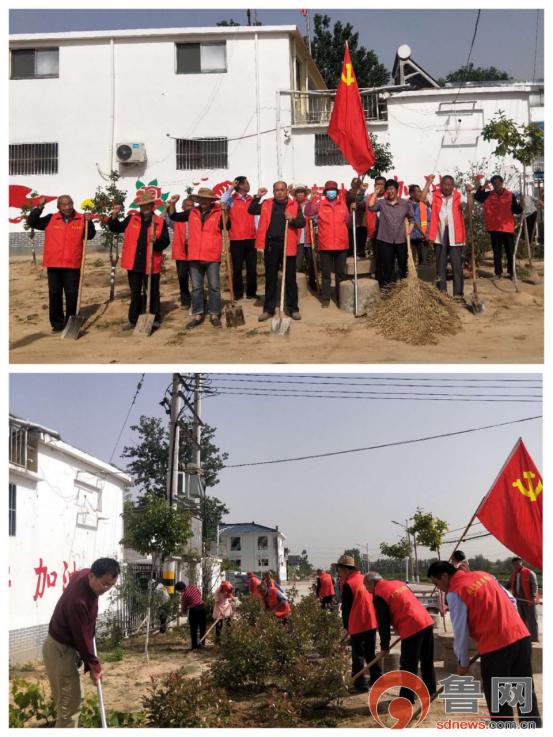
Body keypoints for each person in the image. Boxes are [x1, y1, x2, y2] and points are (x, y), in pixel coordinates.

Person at [428, 561, 541, 728]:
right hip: (521, 636)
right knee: (523, 692)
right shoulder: (484, 575)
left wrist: (462, 662)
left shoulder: (455, 592)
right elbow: (512, 600)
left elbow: (460, 631)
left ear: (444, 576)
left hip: (496, 647)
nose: (439, 588)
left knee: (499, 700)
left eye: (437, 583)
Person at [42, 558, 120, 727]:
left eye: (111, 585)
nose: (106, 589)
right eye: (105, 584)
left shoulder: (83, 574)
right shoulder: (79, 602)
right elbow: (83, 639)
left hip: (62, 647)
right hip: (61, 651)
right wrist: (94, 667)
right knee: (69, 708)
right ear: (92, 576)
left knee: (71, 701)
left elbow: (74, 575)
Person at [27, 195, 96, 332]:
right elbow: (32, 222)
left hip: (72, 263)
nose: (68, 207)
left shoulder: (82, 219)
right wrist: (39, 207)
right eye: (64, 205)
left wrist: (90, 222)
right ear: (59, 207)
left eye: (70, 203)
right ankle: (57, 323)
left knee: (72, 294)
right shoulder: (51, 218)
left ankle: (70, 322)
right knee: (55, 293)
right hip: (54, 263)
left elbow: (90, 235)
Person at [364, 571, 436, 702]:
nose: (367, 590)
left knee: (408, 665)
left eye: (366, 586)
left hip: (412, 626)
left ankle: (407, 697)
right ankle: (431, 691)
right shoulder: (398, 583)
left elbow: (383, 623)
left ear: (371, 582)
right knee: (426, 661)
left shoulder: (379, 595)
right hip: (426, 621)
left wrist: (384, 646)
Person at [168, 188, 229, 329]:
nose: (203, 201)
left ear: (210, 200)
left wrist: (225, 212)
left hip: (212, 255)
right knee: (196, 288)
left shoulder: (218, 212)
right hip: (194, 255)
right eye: (201, 199)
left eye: (206, 199)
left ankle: (214, 314)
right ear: (198, 200)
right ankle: (198, 314)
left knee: (214, 287)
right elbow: (174, 217)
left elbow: (226, 226)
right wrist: (172, 204)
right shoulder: (191, 212)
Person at [107, 191, 170, 329]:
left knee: (152, 292)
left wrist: (157, 241)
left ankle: (155, 317)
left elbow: (166, 241)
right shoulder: (132, 219)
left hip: (151, 263)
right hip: (134, 262)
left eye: (148, 205)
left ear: (153, 206)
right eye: (143, 205)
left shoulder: (159, 222)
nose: (145, 207)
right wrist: (115, 215)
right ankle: (133, 319)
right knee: (135, 293)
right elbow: (116, 228)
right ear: (140, 207)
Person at [249, 181, 305, 321]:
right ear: (273, 192)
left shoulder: (294, 204)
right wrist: (258, 196)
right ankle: (269, 309)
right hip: (271, 245)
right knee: (271, 278)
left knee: (290, 279)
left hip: (288, 245)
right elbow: (251, 210)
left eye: (282, 189)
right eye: (276, 190)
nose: (279, 192)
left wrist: (292, 220)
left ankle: (293, 309)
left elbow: (301, 223)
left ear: (287, 191)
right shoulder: (267, 204)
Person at [336, 554, 380, 693]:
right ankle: (377, 678)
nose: (338, 573)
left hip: (358, 623)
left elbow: (346, 609)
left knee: (358, 655)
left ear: (347, 570)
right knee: (370, 653)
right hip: (371, 622)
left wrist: (346, 627)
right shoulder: (364, 579)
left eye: (340, 570)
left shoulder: (349, 584)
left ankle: (360, 684)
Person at [304, 181, 351, 307]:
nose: (331, 192)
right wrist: (311, 200)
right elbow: (307, 213)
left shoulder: (343, 205)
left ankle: (340, 298)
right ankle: (325, 299)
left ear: (337, 192)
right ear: (325, 192)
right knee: (326, 274)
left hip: (341, 245)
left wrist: (352, 211)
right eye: (329, 190)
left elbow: (348, 221)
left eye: (333, 190)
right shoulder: (320, 205)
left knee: (340, 274)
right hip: (325, 245)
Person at [469, 174, 522, 280]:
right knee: (497, 252)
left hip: (507, 228)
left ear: (502, 183)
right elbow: (478, 196)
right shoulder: (488, 195)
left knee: (510, 251)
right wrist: (483, 185)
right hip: (494, 228)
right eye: (494, 183)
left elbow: (516, 210)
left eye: (498, 182)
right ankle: (498, 273)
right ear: (492, 185)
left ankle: (512, 273)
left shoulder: (510, 195)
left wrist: (522, 205)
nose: (496, 185)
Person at [422, 174, 466, 300]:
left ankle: (458, 294)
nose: (447, 187)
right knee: (440, 265)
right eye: (444, 184)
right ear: (441, 185)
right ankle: (441, 292)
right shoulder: (435, 195)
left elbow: (468, 208)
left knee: (457, 266)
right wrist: (428, 183)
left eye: (449, 185)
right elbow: (422, 198)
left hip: (455, 235)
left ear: (453, 186)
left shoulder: (459, 195)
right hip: (439, 235)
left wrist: (469, 194)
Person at [366, 179, 415, 288]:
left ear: (397, 190)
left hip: (401, 240)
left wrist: (409, 230)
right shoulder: (382, 203)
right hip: (385, 240)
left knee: (403, 265)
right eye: (388, 189)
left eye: (392, 188)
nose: (390, 191)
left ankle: (405, 288)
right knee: (387, 266)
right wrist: (375, 193)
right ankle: (388, 290)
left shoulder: (404, 204)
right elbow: (370, 207)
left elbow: (412, 219)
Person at [220, 176, 258, 300]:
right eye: (247, 183)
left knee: (252, 267)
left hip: (251, 237)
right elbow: (222, 201)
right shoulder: (232, 199)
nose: (248, 185)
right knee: (237, 268)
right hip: (236, 239)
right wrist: (231, 187)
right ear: (240, 185)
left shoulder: (251, 199)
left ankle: (251, 292)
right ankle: (238, 293)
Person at [164, 195, 194, 309]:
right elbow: (166, 219)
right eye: (187, 206)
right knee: (182, 277)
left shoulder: (196, 218)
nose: (190, 208)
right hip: (181, 253)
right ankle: (185, 301)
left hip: (194, 252)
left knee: (196, 278)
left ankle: (198, 299)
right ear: (182, 207)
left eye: (192, 206)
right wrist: (170, 206)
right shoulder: (176, 220)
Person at [291, 184, 318, 293]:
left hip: (309, 237)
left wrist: (314, 219)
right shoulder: (292, 205)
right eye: (298, 192)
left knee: (311, 262)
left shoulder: (311, 204)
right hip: (297, 238)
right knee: (297, 264)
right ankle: (295, 286)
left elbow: (316, 216)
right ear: (295, 195)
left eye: (302, 192)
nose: (300, 194)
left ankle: (313, 283)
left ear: (305, 194)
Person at [508, 558, 540, 643]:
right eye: (514, 564)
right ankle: (525, 637)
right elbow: (509, 584)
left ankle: (534, 638)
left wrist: (533, 597)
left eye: (518, 564)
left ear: (521, 563)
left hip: (529, 600)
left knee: (532, 619)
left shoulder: (529, 573)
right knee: (522, 619)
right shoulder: (513, 574)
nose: (516, 566)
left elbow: (535, 586)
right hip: (519, 600)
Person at [175, 580, 206, 650]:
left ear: (181, 589)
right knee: (202, 627)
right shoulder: (193, 587)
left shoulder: (184, 595)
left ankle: (194, 646)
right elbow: (199, 594)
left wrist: (181, 613)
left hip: (194, 610)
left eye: (179, 591)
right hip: (202, 607)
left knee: (193, 629)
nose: (179, 592)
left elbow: (184, 609)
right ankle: (202, 644)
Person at [366, 176, 386, 279]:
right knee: (377, 257)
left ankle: (389, 280)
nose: (379, 186)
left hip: (388, 232)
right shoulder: (369, 197)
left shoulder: (389, 197)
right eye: (377, 184)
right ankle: (379, 280)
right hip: (375, 231)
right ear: (374, 186)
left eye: (381, 184)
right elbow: (360, 203)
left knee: (387, 257)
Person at [408, 184, 431, 265]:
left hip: (423, 237)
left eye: (420, 191)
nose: (420, 193)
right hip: (410, 238)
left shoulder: (424, 205)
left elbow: (429, 220)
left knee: (424, 261)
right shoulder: (406, 205)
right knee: (411, 261)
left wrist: (427, 234)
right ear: (411, 194)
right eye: (418, 191)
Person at [346, 177, 368, 258]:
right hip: (352, 219)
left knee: (361, 237)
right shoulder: (348, 193)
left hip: (361, 219)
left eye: (357, 182)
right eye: (354, 183)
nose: (355, 184)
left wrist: (362, 191)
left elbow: (362, 204)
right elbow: (351, 201)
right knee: (351, 237)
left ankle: (361, 252)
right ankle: (351, 252)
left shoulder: (364, 192)